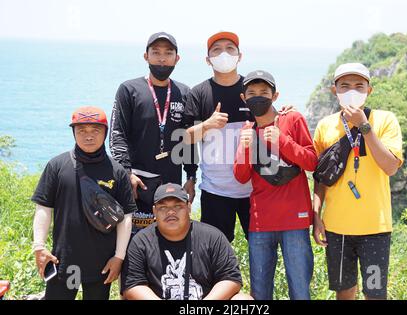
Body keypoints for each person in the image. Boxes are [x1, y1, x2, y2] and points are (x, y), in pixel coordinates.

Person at [183, 31, 294, 242]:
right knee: (214, 256)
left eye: (230, 49)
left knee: (261, 251)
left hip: (255, 189)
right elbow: (185, 139)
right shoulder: (198, 93)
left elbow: (273, 122)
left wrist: (285, 112)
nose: (224, 53)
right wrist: (207, 125)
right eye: (217, 49)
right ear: (208, 60)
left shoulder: (252, 89)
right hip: (214, 191)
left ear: (239, 56)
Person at [312, 63, 403, 300]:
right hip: (336, 229)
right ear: (335, 91)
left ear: (369, 90)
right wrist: (316, 216)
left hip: (376, 229)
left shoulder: (385, 120)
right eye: (345, 86)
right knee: (344, 292)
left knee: (375, 293)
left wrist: (365, 126)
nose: (352, 90)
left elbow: (391, 166)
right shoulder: (325, 126)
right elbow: (320, 177)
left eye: (358, 85)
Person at [32, 106, 136, 300]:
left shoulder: (117, 171)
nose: (89, 136)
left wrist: (119, 256)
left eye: (95, 130)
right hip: (62, 261)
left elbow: (126, 217)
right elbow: (43, 208)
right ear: (73, 133)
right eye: (81, 130)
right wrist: (39, 246)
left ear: (105, 132)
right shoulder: (57, 166)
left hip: (102, 263)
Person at [233, 71, 318, 300]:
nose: (258, 97)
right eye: (252, 93)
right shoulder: (247, 131)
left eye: (264, 92)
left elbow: (311, 162)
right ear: (244, 98)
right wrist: (247, 149)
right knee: (260, 295)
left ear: (275, 95)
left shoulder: (292, 119)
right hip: (260, 224)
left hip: (295, 222)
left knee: (300, 293)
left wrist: (282, 140)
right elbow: (240, 176)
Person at [110, 32, 197, 235]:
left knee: (169, 237)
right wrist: (126, 173)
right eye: (155, 52)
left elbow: (190, 139)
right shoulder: (129, 89)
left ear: (177, 58)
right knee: (133, 241)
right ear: (146, 56)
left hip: (171, 183)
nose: (162, 58)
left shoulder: (185, 92)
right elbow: (116, 134)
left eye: (168, 53)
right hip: (137, 184)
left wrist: (191, 177)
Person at [120, 183, 253, 300]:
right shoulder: (141, 241)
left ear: (189, 207)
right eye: (163, 208)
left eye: (178, 206)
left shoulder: (213, 237)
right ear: (154, 211)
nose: (171, 212)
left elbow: (231, 279)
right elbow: (132, 286)